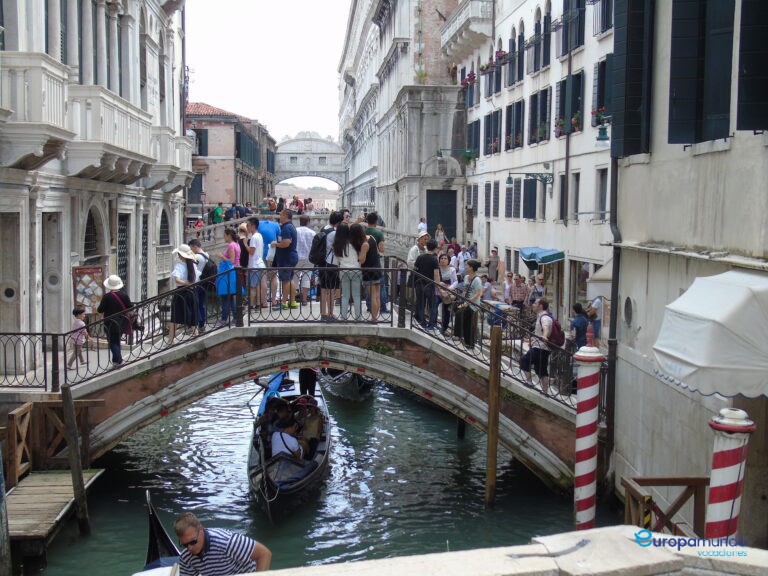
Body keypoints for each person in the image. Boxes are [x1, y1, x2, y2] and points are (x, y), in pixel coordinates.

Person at [174, 511, 271, 575]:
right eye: (185, 545)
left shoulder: (227, 541)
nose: (189, 548)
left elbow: (264, 553)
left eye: (193, 542)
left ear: (201, 529)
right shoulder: (186, 557)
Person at [97, 275, 133, 367]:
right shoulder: (124, 295)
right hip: (122, 321)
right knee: (117, 341)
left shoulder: (107, 297)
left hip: (109, 322)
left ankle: (118, 361)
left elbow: (100, 310)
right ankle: (116, 360)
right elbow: (130, 307)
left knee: (113, 342)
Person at [333, 222, 366, 320]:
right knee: (356, 295)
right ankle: (358, 317)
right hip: (356, 270)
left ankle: (343, 317)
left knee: (345, 295)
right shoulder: (355, 242)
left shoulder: (337, 245)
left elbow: (336, 261)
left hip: (343, 270)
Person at [520, 298, 553, 393]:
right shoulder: (541, 316)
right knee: (541, 370)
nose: (533, 305)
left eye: (535, 303)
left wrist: (545, 336)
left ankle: (529, 382)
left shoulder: (545, 317)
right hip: (543, 347)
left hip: (540, 347)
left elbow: (545, 327)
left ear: (541, 306)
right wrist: (531, 340)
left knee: (524, 360)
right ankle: (545, 391)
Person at [169, 244, 200, 341]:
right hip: (192, 291)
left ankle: (170, 340)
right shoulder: (194, 265)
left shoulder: (179, 266)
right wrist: (190, 284)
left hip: (181, 293)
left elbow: (177, 280)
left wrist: (186, 283)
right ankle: (196, 334)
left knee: (175, 317)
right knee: (193, 312)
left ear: (181, 255)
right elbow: (196, 279)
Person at [270, 209, 299, 309]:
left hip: (286, 258)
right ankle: (292, 301)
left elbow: (286, 242)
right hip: (290, 257)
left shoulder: (286, 228)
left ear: (286, 216)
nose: (279, 217)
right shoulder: (291, 226)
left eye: (281, 215)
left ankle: (283, 303)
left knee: (285, 280)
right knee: (290, 279)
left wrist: (276, 244)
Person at [320, 211, 343, 322]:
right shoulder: (334, 233)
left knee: (323, 289)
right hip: (331, 263)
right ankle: (330, 314)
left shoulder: (324, 229)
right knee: (330, 289)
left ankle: (323, 314)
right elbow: (338, 249)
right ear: (338, 222)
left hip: (322, 262)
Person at [215, 228, 240, 327]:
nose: (223, 237)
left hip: (228, 273)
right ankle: (234, 317)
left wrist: (221, 256)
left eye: (224, 235)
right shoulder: (237, 244)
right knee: (230, 297)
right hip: (233, 273)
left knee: (225, 296)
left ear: (229, 235)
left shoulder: (231, 245)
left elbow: (232, 261)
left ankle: (224, 319)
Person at [454, 260, 482, 347]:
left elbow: (478, 293)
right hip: (465, 301)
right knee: (467, 323)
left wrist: (468, 302)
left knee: (459, 314)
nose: (466, 267)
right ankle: (469, 343)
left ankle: (457, 335)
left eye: (467, 266)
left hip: (473, 304)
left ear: (471, 268)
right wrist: (463, 297)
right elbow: (465, 289)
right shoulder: (466, 277)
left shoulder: (477, 279)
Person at [413, 239, 440, 330]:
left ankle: (422, 322)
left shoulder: (420, 257)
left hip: (419, 284)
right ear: (435, 248)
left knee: (421, 304)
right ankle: (431, 324)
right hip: (430, 285)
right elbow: (436, 274)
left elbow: (415, 269)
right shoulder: (434, 259)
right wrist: (438, 287)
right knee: (433, 305)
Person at [365, 212, 388, 314]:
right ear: (376, 221)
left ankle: (369, 306)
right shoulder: (379, 233)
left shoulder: (363, 232)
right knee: (379, 288)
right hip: (375, 263)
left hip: (365, 263)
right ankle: (381, 309)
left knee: (368, 287)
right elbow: (382, 249)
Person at [360, 222, 382, 321]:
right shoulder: (372, 238)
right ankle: (375, 317)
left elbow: (362, 260)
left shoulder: (364, 244)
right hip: (377, 268)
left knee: (373, 296)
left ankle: (373, 318)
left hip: (369, 272)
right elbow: (378, 252)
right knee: (377, 295)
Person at [188, 239, 210, 332]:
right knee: (201, 304)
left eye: (191, 248)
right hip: (205, 283)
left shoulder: (197, 257)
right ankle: (201, 324)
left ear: (195, 246)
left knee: (197, 305)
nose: (191, 250)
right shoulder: (206, 255)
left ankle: (198, 325)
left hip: (198, 283)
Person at [294, 215, 316, 305]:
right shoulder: (312, 233)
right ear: (308, 222)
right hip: (308, 257)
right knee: (307, 278)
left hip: (297, 257)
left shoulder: (295, 231)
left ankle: (293, 298)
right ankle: (304, 299)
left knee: (294, 277)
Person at [436, 253, 459, 334]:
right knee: (434, 305)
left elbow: (455, 281)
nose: (443, 260)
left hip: (448, 292)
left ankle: (444, 328)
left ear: (448, 260)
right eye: (441, 258)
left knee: (447, 311)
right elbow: (435, 280)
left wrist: (449, 289)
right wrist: (440, 289)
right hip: (438, 291)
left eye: (445, 258)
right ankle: (434, 324)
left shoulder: (452, 270)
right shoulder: (437, 269)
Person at [246, 218, 265, 310]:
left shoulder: (253, 237)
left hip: (254, 264)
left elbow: (251, 251)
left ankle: (251, 305)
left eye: (248, 225)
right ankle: (257, 304)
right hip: (260, 263)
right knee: (257, 285)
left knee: (252, 286)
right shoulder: (260, 235)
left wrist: (245, 244)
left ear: (253, 226)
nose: (247, 227)